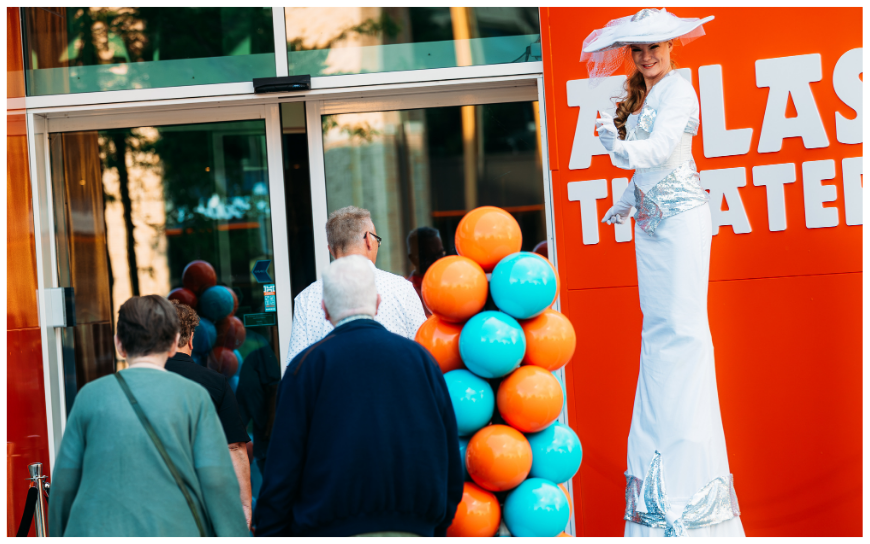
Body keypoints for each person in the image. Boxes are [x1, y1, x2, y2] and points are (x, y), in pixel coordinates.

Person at [582, 8, 744, 537]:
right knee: (659, 333)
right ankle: (662, 463)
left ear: (673, 48)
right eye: (639, 49)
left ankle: (686, 470)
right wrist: (626, 203)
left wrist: (614, 145)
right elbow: (659, 165)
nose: (647, 56)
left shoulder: (680, 90)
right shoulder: (648, 95)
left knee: (681, 331)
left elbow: (652, 150)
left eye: (655, 47)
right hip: (652, 228)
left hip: (680, 225)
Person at [254, 255, 463, 537]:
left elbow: (283, 468)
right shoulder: (421, 360)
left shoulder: (305, 368)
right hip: (415, 528)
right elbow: (449, 451)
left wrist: (272, 533)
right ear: (377, 303)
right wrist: (435, 524)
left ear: (325, 309)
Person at [48, 295, 249, 537]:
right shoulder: (195, 397)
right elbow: (216, 479)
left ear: (119, 345)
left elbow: (65, 482)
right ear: (175, 343)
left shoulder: (89, 396)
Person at [286, 205, 427, 363]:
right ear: (368, 240)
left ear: (330, 250)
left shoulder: (306, 299)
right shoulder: (401, 289)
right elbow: (424, 349)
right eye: (377, 241)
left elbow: (296, 365)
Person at [165, 300, 253, 529]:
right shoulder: (216, 383)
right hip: (203, 500)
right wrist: (244, 505)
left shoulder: (136, 382)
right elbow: (234, 448)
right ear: (192, 338)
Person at [406, 226, 446, 316]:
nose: (437, 260)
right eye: (429, 257)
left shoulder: (451, 281)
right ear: (413, 259)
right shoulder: (409, 291)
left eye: (440, 254)